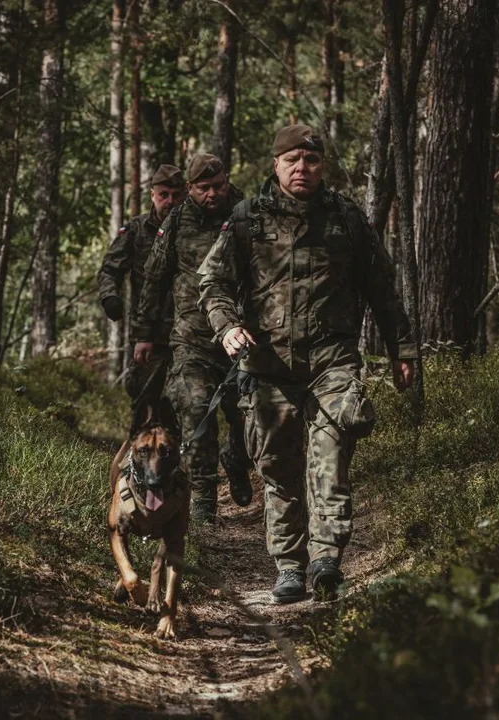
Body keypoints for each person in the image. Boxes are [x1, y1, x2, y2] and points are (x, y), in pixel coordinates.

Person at [197, 125, 417, 603]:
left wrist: (404, 348)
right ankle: (289, 565)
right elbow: (212, 281)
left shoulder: (346, 220)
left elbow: (382, 287)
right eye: (293, 160)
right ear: (275, 164)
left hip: (331, 363)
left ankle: (325, 560)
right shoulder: (247, 218)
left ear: (323, 166)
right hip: (267, 366)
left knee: (331, 461)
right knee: (279, 468)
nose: (303, 169)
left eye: (312, 161)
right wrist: (227, 325)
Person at [133, 154, 253, 524]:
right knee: (196, 411)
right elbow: (154, 279)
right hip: (191, 338)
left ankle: (236, 459)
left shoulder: (247, 214)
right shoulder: (177, 221)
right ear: (190, 189)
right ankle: (203, 500)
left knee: (246, 418)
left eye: (218, 186)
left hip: (242, 337)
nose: (213, 194)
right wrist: (145, 334)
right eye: (204, 189)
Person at [97, 164, 185, 411]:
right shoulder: (136, 230)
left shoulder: (193, 230)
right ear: (152, 195)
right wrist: (109, 298)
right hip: (149, 332)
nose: (170, 201)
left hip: (188, 333)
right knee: (144, 400)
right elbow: (109, 269)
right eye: (163, 195)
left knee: (185, 403)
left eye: (176, 195)